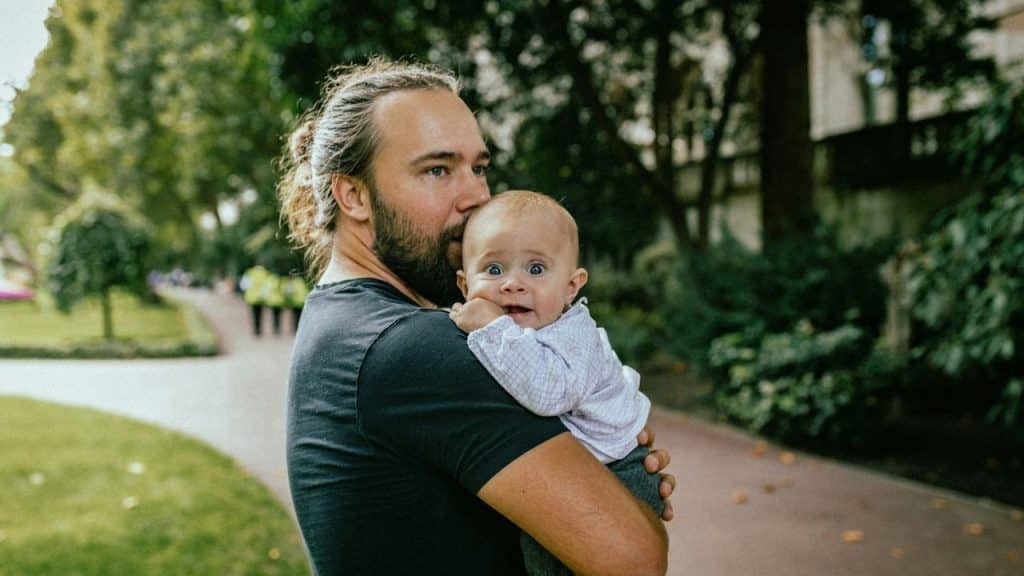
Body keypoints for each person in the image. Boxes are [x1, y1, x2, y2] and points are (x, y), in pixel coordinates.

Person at [278, 58, 674, 575]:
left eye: (479, 168)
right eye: (438, 170)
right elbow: (635, 560)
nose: (476, 197)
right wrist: (625, 498)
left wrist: (598, 454)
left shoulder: (340, 323)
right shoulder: (412, 348)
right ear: (353, 194)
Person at [449, 190, 662, 575]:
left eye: (535, 269)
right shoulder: (515, 332)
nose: (513, 284)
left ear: (571, 286)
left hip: (618, 472)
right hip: (587, 468)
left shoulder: (572, 333)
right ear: (465, 287)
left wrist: (493, 328)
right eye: (494, 270)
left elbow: (550, 395)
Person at [240, 265, 270, 336]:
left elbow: (243, 285)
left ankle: (255, 330)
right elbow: (267, 286)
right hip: (261, 297)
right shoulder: (265, 273)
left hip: (252, 297)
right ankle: (259, 329)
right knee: (260, 313)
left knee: (254, 314)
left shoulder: (249, 273)